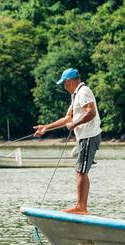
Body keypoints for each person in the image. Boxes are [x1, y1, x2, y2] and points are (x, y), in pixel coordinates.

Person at [34, 68, 101, 215]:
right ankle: (81, 206)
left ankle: (81, 207)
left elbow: (91, 112)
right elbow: (67, 118)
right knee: (81, 171)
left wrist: (75, 124)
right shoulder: (76, 95)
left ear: (69, 81)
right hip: (84, 137)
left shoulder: (83, 92)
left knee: (80, 171)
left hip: (89, 136)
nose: (64, 87)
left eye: (64, 84)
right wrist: (46, 128)